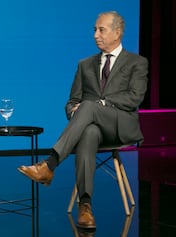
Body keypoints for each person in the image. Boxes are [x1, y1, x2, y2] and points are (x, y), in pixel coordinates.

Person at [18, 11, 148, 229]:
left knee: (90, 105)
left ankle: (49, 165)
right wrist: (75, 112)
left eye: (101, 30)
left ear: (117, 33)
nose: (95, 35)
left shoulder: (137, 62)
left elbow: (134, 98)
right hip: (93, 127)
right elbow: (72, 102)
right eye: (94, 30)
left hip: (120, 126)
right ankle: (85, 207)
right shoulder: (85, 65)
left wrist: (99, 105)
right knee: (88, 132)